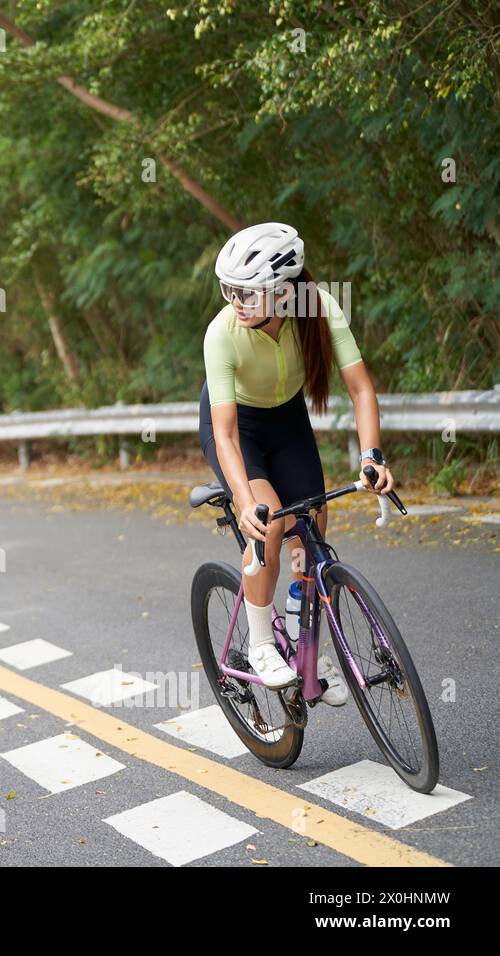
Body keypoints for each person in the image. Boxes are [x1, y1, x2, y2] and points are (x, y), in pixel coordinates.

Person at [200, 222, 395, 699]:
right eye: (230, 289)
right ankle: (264, 643)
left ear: (283, 292)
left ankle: (304, 644)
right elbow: (224, 435)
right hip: (234, 427)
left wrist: (372, 458)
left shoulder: (321, 310)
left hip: (286, 421)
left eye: (248, 292)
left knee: (310, 534)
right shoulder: (222, 332)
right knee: (267, 524)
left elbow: (361, 388)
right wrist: (245, 502)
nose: (235, 300)